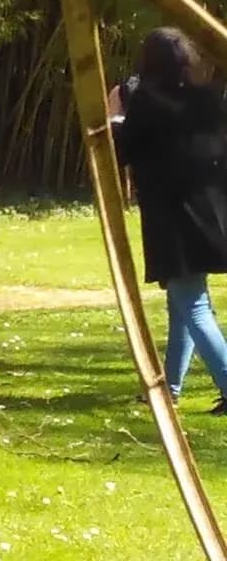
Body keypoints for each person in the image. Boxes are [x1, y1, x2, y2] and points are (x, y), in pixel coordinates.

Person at [111, 25, 227, 410]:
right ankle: (168, 390)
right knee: (184, 305)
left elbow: (122, 152)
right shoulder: (209, 100)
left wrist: (115, 118)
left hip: (174, 217)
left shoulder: (146, 102)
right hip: (211, 216)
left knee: (192, 306)